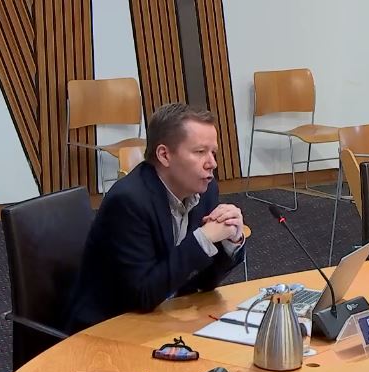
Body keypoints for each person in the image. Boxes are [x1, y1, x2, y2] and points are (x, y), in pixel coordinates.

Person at [64, 103, 245, 333]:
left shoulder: (206, 191)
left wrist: (231, 240)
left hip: (166, 318)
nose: (212, 163)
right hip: (110, 328)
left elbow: (204, 281)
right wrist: (202, 240)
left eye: (213, 152)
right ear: (164, 155)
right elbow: (142, 296)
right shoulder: (129, 201)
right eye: (200, 152)